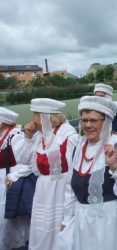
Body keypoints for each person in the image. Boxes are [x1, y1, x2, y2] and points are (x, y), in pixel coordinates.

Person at [57, 96, 117, 250]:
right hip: (82, 223)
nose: (87, 125)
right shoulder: (79, 147)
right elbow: (70, 188)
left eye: (93, 120)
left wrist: (115, 167)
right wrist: (66, 220)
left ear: (106, 122)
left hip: (110, 223)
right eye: (84, 120)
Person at [9, 98, 77, 250]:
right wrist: (27, 136)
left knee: (58, 232)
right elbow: (22, 158)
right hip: (43, 191)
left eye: (36, 117)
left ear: (48, 118)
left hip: (61, 191)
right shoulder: (39, 136)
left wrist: (68, 213)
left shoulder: (67, 137)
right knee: (42, 232)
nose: (33, 121)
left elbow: (72, 174)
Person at [0, 108, 33, 249]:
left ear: (2, 123)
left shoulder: (15, 137)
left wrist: (14, 175)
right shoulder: (2, 136)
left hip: (9, 182)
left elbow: (28, 162)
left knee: (8, 219)